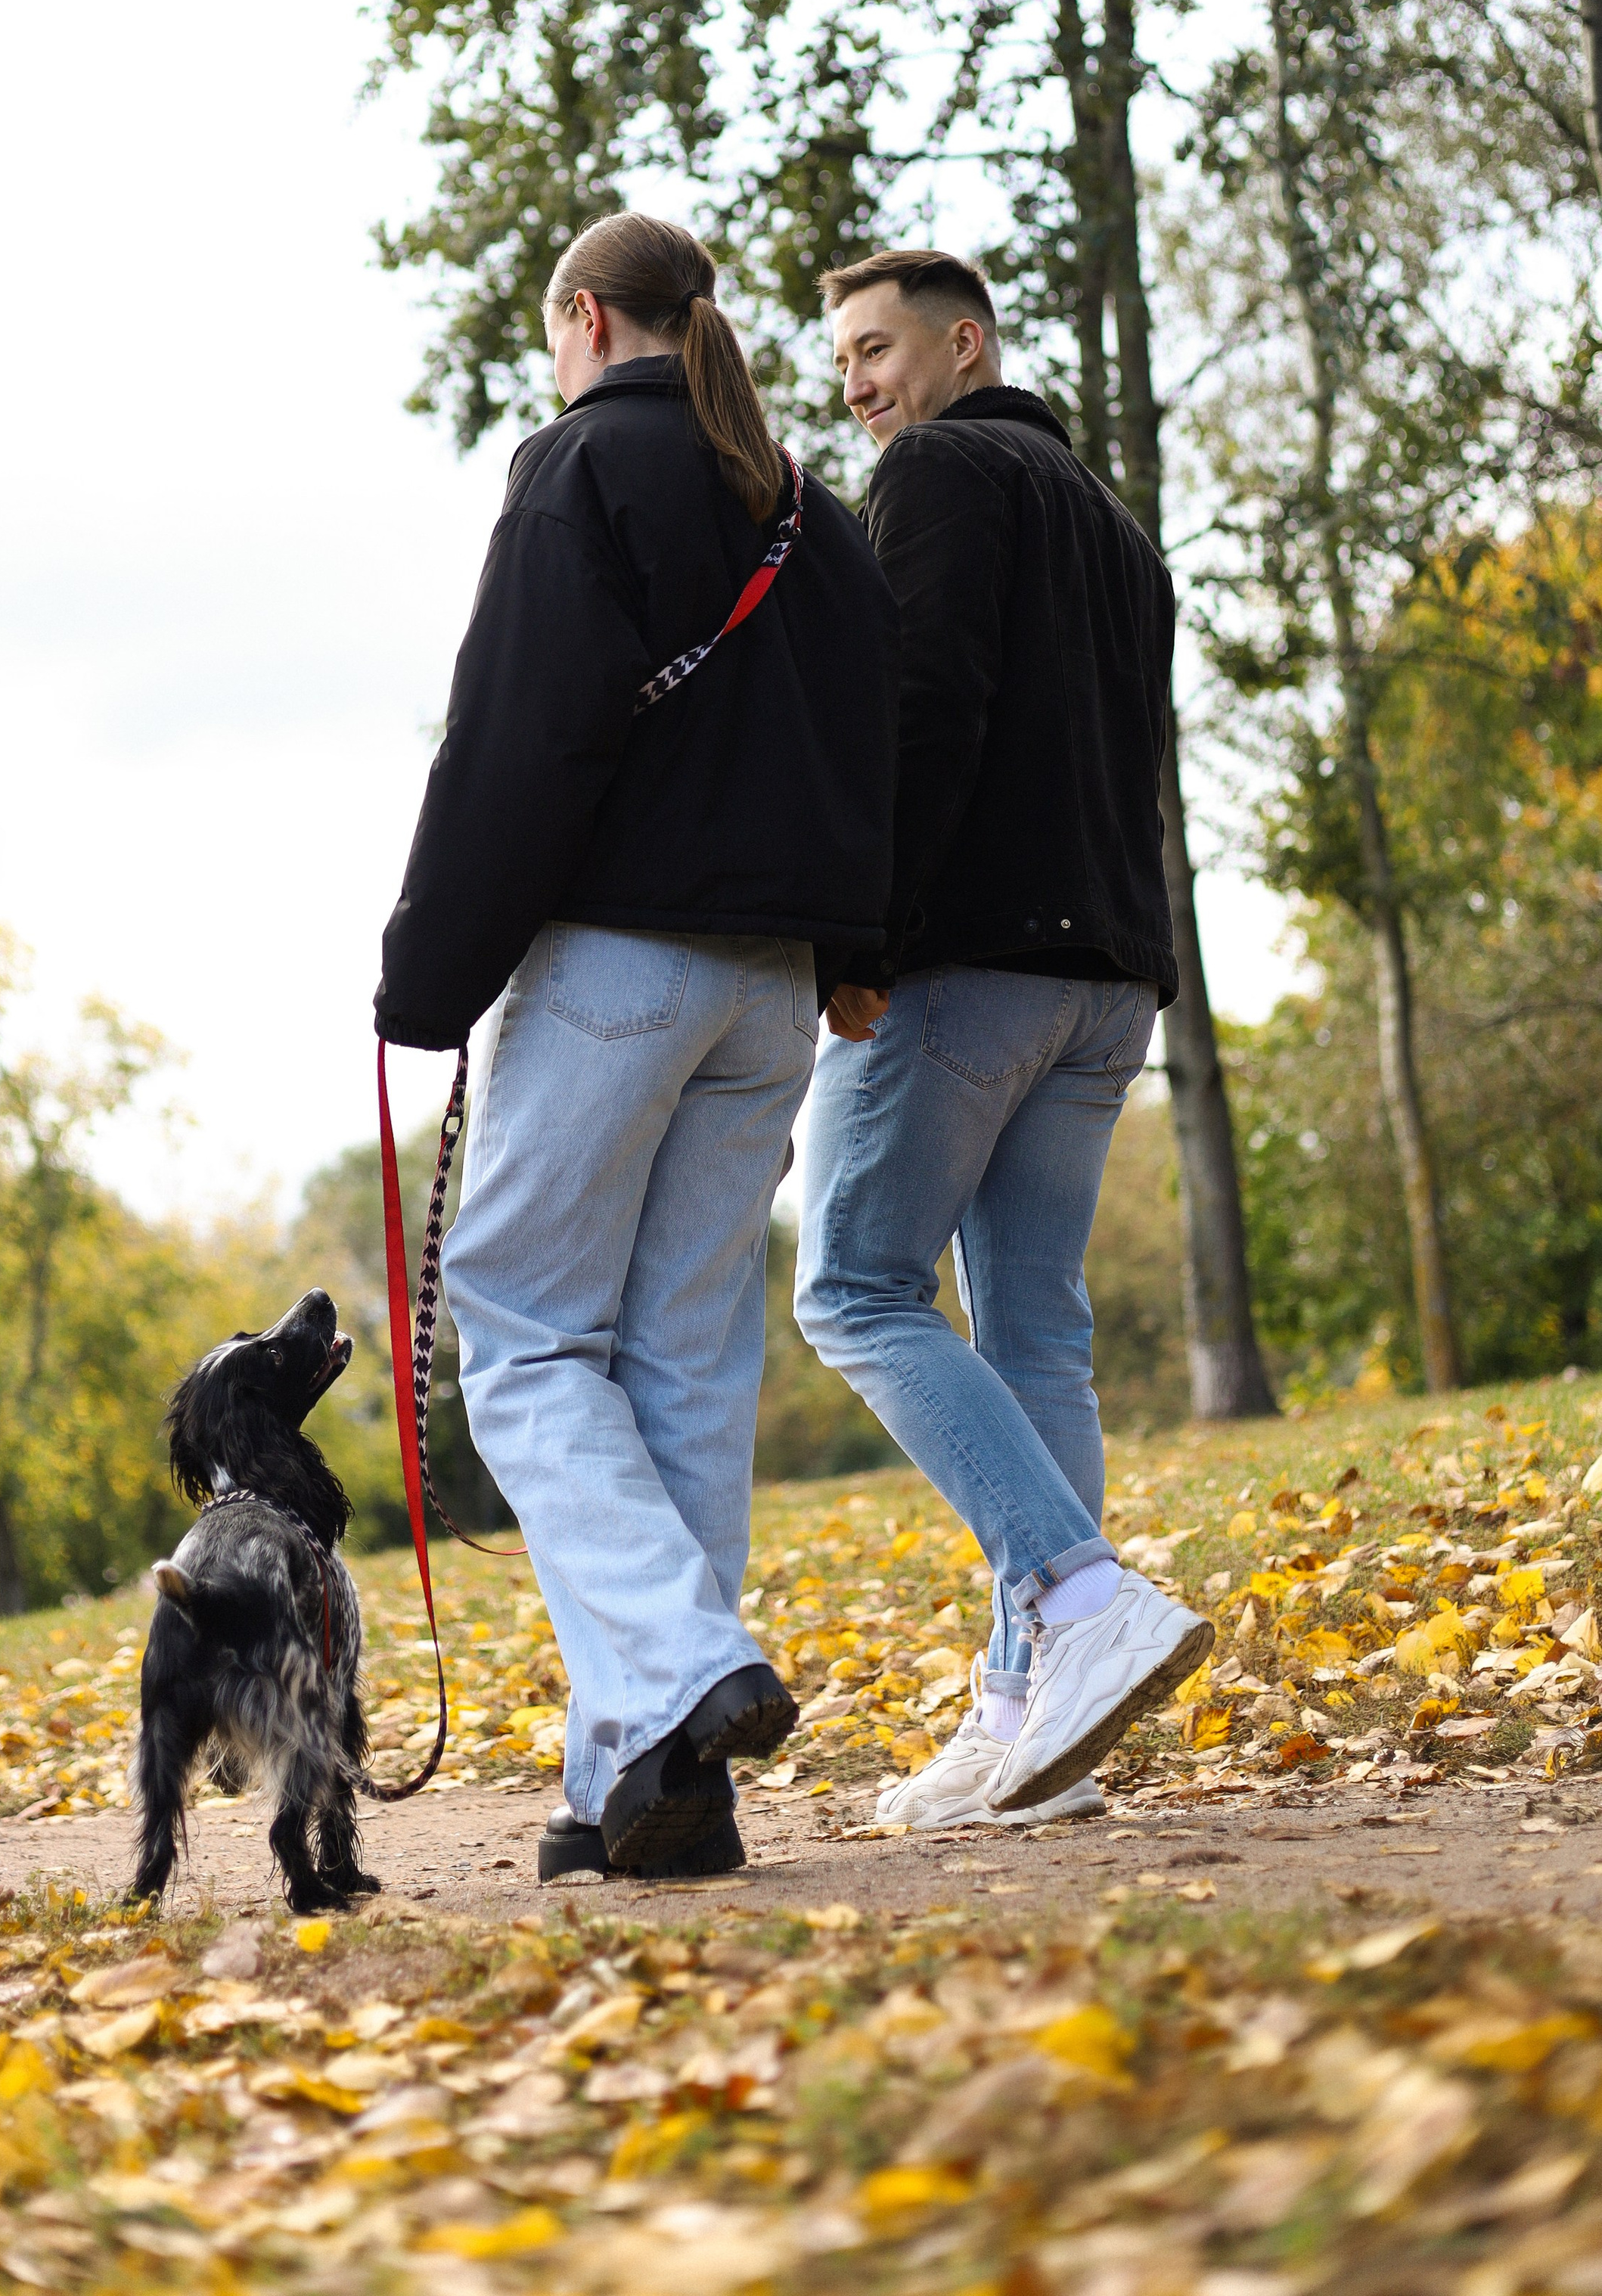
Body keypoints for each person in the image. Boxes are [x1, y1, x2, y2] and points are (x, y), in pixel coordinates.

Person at [377, 212, 899, 1883]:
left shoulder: (574, 470)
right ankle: (647, 1782)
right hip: (771, 987)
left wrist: (424, 973)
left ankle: (680, 1668)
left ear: (584, 317)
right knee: (683, 1371)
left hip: (616, 968)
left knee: (524, 1342)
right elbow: (875, 742)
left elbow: (516, 739)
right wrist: (857, 949)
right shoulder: (806, 507)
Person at [793, 250, 1210, 1828]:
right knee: (1033, 1332)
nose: (855, 384)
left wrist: (861, 933)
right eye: (840, 358)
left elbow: (926, 706)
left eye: (877, 347)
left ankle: (1077, 1595)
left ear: (961, 345)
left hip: (970, 959)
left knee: (851, 1287)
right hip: (1106, 974)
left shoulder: (942, 472)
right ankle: (1033, 1714)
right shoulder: (1116, 529)